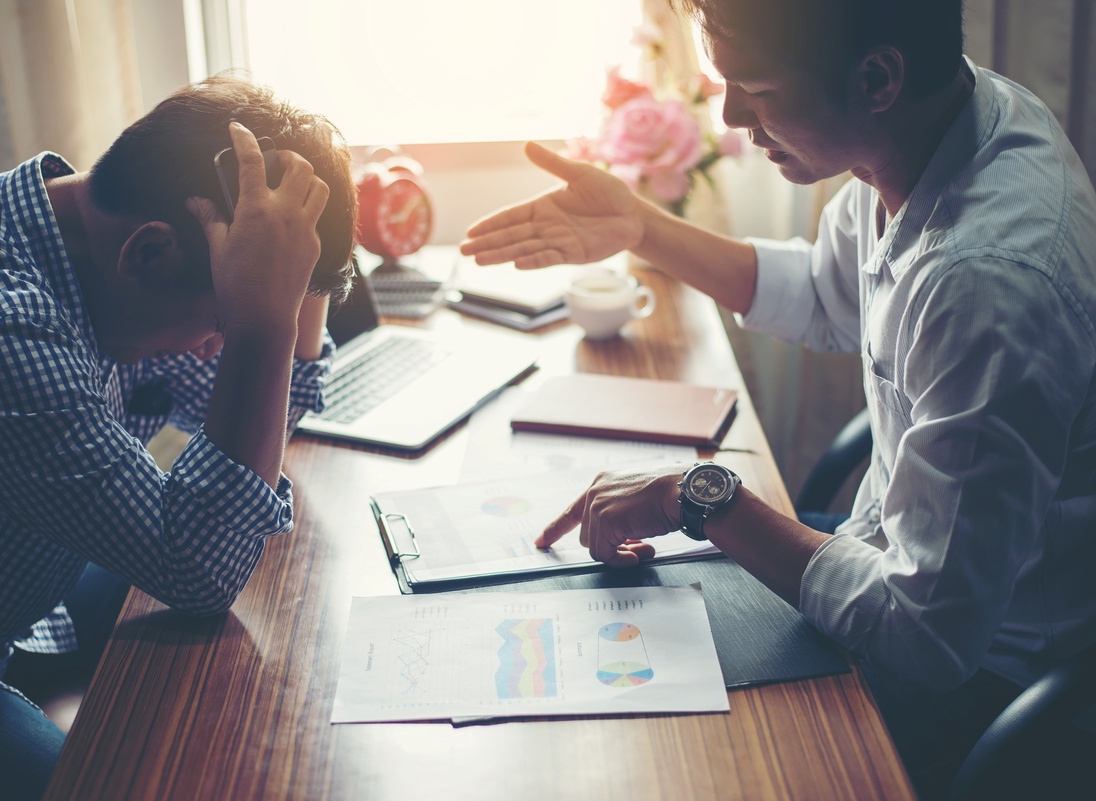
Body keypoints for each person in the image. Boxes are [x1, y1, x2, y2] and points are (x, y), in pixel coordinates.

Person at [461, 0, 1096, 796]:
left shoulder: (989, 281)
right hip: (885, 560)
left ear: (876, 79)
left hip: (975, 676)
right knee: (615, 610)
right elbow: (829, 295)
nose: (730, 117)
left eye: (754, 89)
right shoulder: (938, 126)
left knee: (654, 751)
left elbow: (928, 635)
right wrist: (639, 227)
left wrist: (702, 495)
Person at [0, 76, 357, 800]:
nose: (214, 349)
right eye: (222, 324)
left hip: (2, 583)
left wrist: (293, 270)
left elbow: (224, 420)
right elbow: (201, 566)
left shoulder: (72, 238)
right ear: (149, 254)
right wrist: (262, 325)